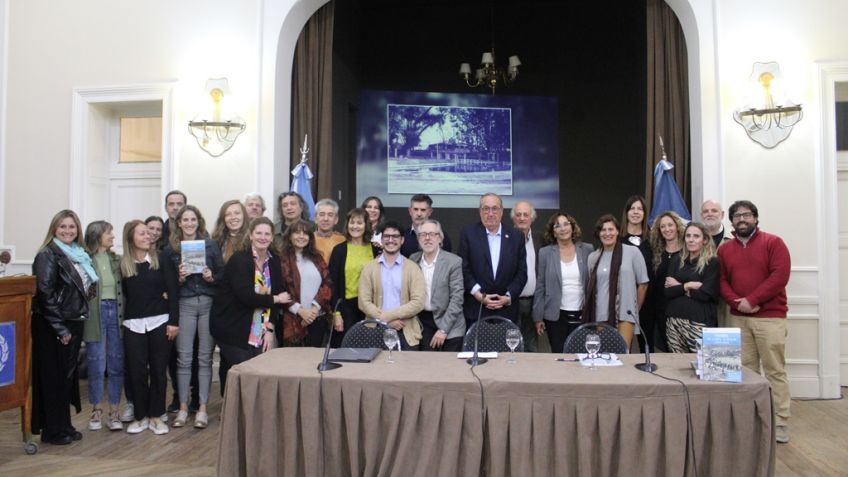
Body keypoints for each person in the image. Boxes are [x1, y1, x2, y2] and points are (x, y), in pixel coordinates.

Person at [718, 200, 791, 444]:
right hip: (738, 317)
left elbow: (779, 276)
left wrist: (753, 299)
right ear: (731, 222)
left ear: (756, 218)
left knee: (774, 370)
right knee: (743, 372)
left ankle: (780, 421)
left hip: (770, 317)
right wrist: (738, 303)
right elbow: (722, 280)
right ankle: (748, 419)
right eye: (737, 216)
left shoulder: (774, 243)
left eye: (747, 215)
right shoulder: (725, 250)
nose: (742, 219)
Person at [32, 210, 95, 445]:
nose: (68, 231)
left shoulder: (79, 254)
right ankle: (52, 430)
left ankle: (63, 424)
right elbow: (45, 294)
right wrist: (60, 328)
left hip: (73, 320)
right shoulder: (48, 254)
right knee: (54, 378)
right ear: (54, 230)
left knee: (66, 379)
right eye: (62, 227)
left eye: (72, 227)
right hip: (53, 325)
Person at [210, 217, 291, 392]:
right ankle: (231, 411)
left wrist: (270, 329)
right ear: (251, 236)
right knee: (243, 371)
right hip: (231, 325)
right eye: (259, 233)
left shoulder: (274, 260)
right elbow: (246, 296)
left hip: (259, 327)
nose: (263, 237)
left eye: (267, 234)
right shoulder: (240, 260)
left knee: (257, 371)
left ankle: (249, 415)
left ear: (271, 237)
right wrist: (276, 299)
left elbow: (278, 290)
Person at [163, 205, 224, 429]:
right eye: (185, 220)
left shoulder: (210, 245)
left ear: (199, 222)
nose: (189, 223)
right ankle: (183, 408)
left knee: (205, 357)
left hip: (208, 304)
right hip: (185, 305)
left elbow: (222, 275)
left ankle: (203, 409)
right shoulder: (170, 250)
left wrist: (210, 277)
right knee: (184, 358)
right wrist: (179, 278)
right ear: (178, 223)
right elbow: (168, 285)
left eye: (193, 219)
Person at [120, 220, 179, 435]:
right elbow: (124, 296)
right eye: (142, 233)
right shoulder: (123, 264)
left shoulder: (161, 259)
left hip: (160, 321)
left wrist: (174, 321)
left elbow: (173, 292)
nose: (148, 236)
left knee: (158, 371)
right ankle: (140, 416)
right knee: (136, 372)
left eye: (149, 233)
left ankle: (156, 415)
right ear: (131, 238)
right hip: (133, 324)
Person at [458, 193, 527, 326]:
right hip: (476, 310)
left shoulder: (516, 236)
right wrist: (478, 294)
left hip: (507, 311)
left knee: (506, 347)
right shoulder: (468, 233)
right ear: (480, 211)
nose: (490, 213)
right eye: (486, 209)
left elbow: (522, 272)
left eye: (494, 208)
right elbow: (463, 268)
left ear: (501, 211)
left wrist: (508, 297)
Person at [82, 220, 125, 432]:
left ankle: (115, 411)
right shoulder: (84, 260)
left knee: (116, 365)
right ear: (98, 235)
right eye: (109, 233)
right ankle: (96, 409)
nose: (113, 237)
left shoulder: (117, 260)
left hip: (116, 314)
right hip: (94, 315)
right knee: (96, 364)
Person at [584, 214, 649, 348]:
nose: (607, 233)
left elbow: (643, 284)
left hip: (626, 313)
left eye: (611, 229)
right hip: (600, 315)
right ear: (599, 233)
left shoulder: (633, 252)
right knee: (604, 355)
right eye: (603, 230)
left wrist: (635, 309)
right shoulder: (593, 258)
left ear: (618, 231)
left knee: (622, 355)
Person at [359, 221, 426, 350]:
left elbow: (418, 302)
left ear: (402, 240)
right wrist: (385, 321)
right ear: (382, 239)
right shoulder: (369, 268)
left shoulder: (413, 268)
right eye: (387, 236)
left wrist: (388, 316)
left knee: (407, 369)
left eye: (395, 236)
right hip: (375, 330)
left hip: (405, 331)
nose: (391, 240)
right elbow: (363, 301)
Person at [532, 212, 593, 354]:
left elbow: (592, 284)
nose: (563, 228)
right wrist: (538, 317)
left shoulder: (587, 249)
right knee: (559, 354)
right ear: (553, 231)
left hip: (581, 313)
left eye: (566, 224)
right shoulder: (545, 253)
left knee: (580, 354)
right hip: (555, 315)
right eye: (557, 225)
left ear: (572, 228)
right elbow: (540, 285)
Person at [409, 220, 466, 351]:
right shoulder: (413, 260)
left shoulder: (453, 261)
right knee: (426, 365)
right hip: (423, 322)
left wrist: (443, 330)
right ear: (418, 239)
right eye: (423, 234)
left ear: (440, 238)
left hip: (451, 322)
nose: (427, 238)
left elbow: (457, 299)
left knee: (449, 366)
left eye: (432, 234)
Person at [664, 222, 719, 352]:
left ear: (704, 240)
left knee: (701, 365)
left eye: (696, 236)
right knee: (677, 365)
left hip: (699, 322)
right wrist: (688, 285)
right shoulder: (677, 260)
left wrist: (678, 287)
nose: (691, 240)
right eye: (688, 236)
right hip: (674, 320)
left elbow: (706, 294)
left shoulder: (712, 262)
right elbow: (667, 292)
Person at [279, 219, 333, 347]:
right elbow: (280, 289)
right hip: (292, 320)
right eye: (297, 233)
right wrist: (301, 311)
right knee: (294, 363)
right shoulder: (281, 259)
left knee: (314, 362)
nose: (301, 237)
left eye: (305, 233)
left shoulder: (317, 258)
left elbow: (328, 283)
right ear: (290, 236)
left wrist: (314, 309)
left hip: (317, 318)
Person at [328, 208, 377, 347]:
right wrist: (336, 314)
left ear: (366, 225)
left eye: (359, 223)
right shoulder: (339, 250)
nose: (355, 226)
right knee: (344, 349)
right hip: (346, 309)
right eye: (352, 222)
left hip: (369, 309)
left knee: (368, 349)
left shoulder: (376, 249)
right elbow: (332, 284)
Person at [648, 211, 685, 352]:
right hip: (660, 311)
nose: (667, 229)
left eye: (670, 225)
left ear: (677, 226)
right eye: (663, 226)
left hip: (680, 311)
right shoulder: (656, 252)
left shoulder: (687, 251)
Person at [620, 195, 654, 351]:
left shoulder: (653, 238)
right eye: (632, 208)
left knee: (647, 344)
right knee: (623, 345)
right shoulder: (617, 238)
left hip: (648, 298)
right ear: (626, 213)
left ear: (645, 213)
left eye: (639, 209)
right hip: (623, 298)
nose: (635, 212)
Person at [511, 200, 545, 352]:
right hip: (512, 302)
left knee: (532, 347)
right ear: (513, 218)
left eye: (526, 214)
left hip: (533, 302)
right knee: (512, 345)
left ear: (532, 217)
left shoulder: (540, 240)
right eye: (518, 215)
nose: (522, 218)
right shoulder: (505, 239)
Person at [313, 198, 346, 264]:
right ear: (316, 219)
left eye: (330, 215)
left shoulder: (342, 240)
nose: (326, 219)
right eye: (322, 214)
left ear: (336, 219)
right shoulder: (307, 239)